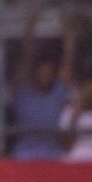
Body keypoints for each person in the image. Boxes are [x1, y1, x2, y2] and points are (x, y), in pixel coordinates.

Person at [9, 8, 76, 161]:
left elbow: (69, 55)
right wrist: (32, 24)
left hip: (53, 157)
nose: (46, 75)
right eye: (43, 72)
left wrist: (68, 27)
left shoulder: (58, 92)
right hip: (23, 156)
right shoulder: (22, 93)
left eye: (50, 72)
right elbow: (26, 54)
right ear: (35, 73)